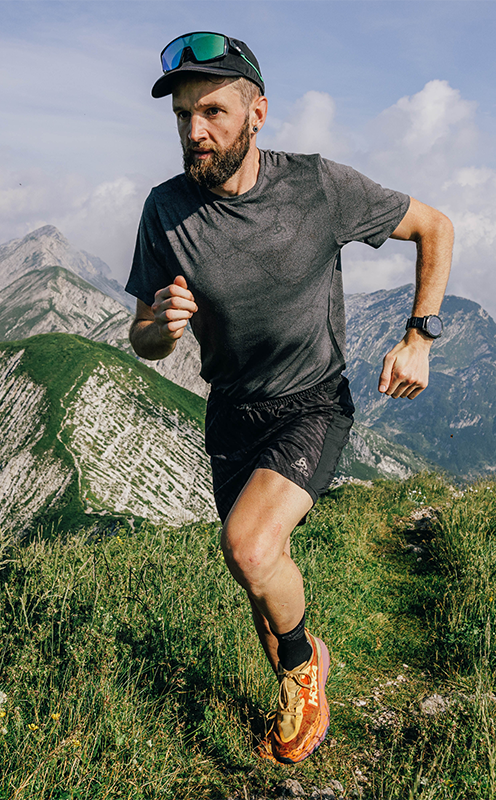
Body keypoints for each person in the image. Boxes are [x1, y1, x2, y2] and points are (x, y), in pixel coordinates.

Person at [126, 31, 453, 765]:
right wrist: (156, 327)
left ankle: (307, 672)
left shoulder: (317, 187)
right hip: (231, 413)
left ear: (258, 113)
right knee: (257, 584)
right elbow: (144, 336)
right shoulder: (165, 211)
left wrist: (419, 338)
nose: (195, 132)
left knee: (248, 544)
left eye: (211, 111)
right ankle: (293, 664)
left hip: (311, 403)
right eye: (183, 117)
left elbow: (435, 227)